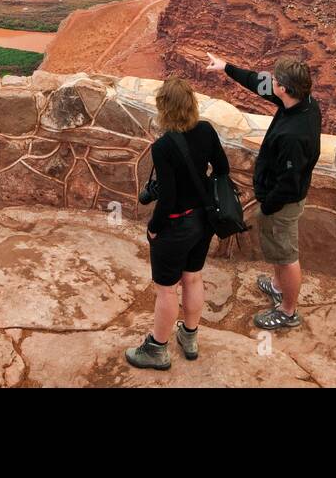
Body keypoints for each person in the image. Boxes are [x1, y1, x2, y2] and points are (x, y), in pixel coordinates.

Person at [204, 52, 320, 330]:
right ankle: (278, 286)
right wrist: (226, 67)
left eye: (275, 80)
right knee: (279, 253)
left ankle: (288, 311)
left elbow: (289, 183)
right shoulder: (304, 102)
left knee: (286, 256)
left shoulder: (294, 135)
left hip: (282, 205)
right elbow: (258, 83)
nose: (271, 82)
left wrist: (267, 205)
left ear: (284, 88)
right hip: (281, 201)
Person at [125, 77, 231, 370]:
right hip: (204, 220)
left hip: (176, 225)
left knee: (167, 289)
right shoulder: (207, 130)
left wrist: (154, 228)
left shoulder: (163, 147)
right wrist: (199, 182)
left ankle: (157, 349)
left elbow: (168, 199)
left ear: (165, 109)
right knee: (193, 278)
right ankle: (190, 337)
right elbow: (222, 168)